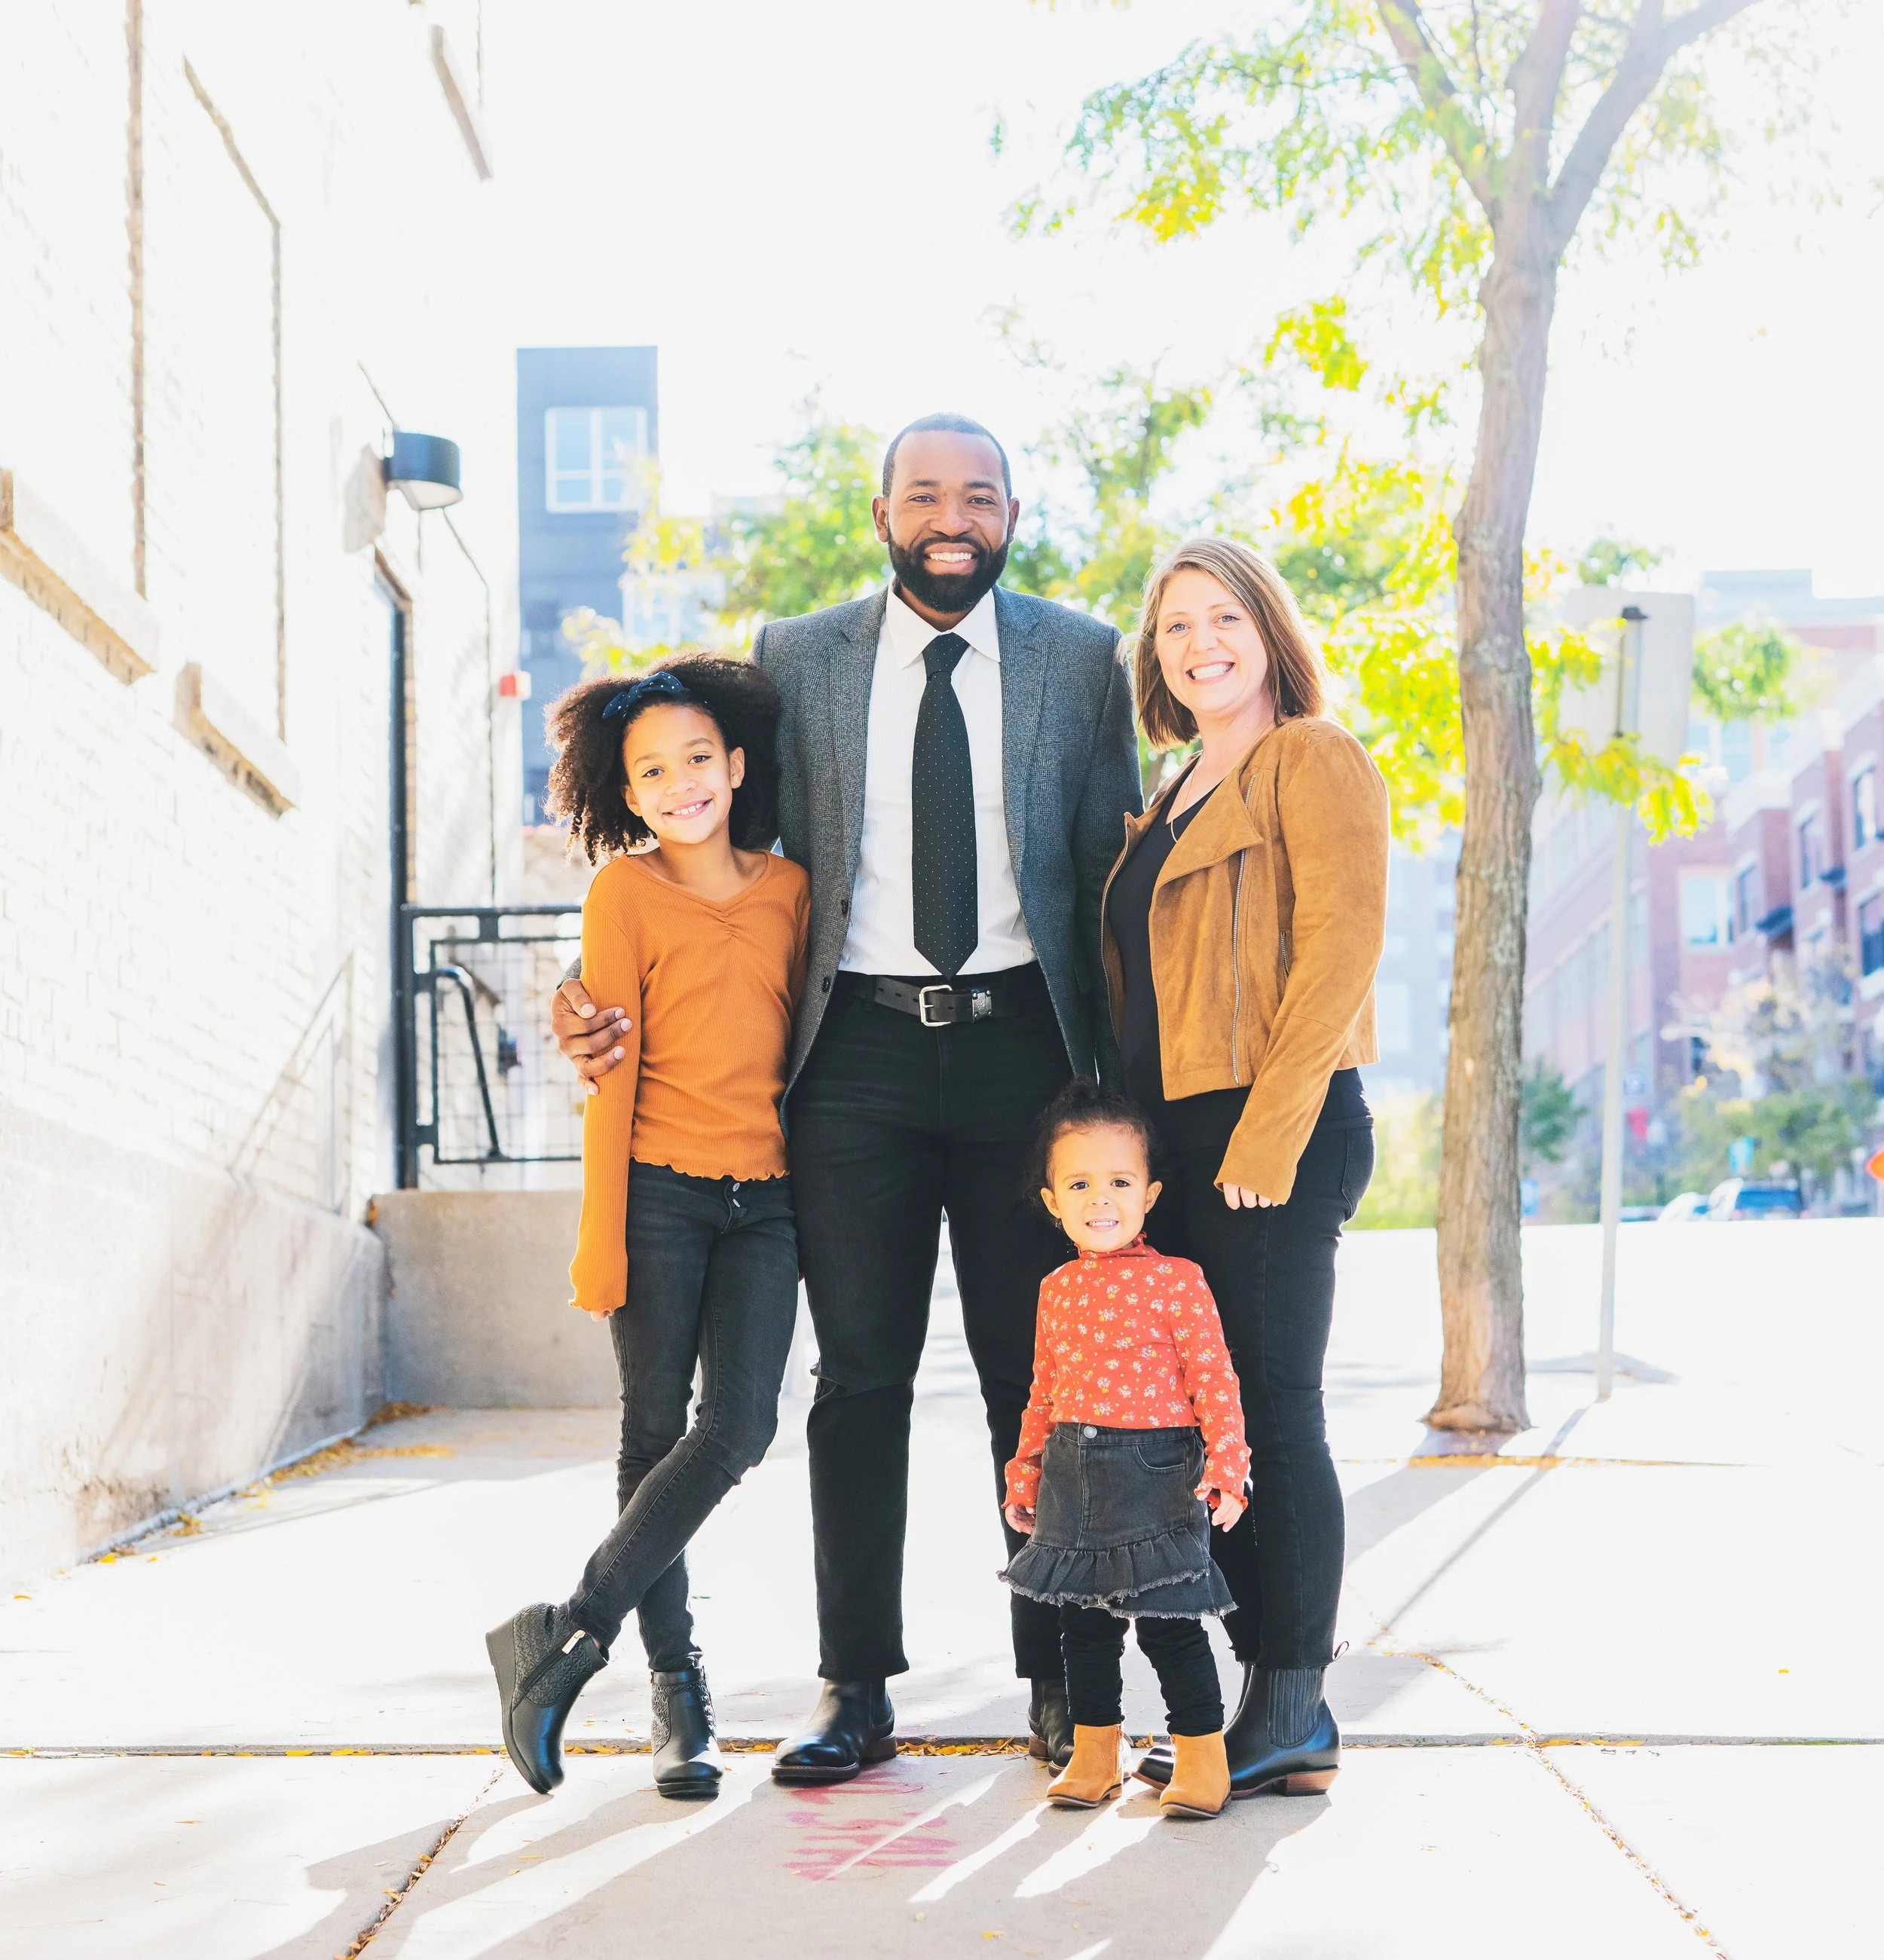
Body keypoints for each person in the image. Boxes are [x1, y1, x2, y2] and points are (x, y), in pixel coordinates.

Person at [555, 414, 1141, 1781]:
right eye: (925, 494)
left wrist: (1112, 1087)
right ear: (882, 515)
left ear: (1012, 511)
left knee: (1028, 1378)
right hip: (855, 1059)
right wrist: (592, 995)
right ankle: (855, 1688)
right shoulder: (801, 656)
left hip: (1022, 1055)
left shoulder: (1081, 655)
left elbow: (1107, 880)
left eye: (980, 494)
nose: (954, 515)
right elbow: (717, 858)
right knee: (858, 1381)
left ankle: (1056, 1676)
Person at [485, 657, 809, 1801]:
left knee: (740, 1427)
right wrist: (601, 1232)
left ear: (736, 766)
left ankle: (565, 1638)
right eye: (651, 771)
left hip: (769, 1199)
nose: (679, 784)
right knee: (650, 1430)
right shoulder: (622, 895)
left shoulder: (791, 890)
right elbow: (607, 1070)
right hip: (659, 1190)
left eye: (695, 760)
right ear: (625, 792)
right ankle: (679, 1698)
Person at [1103, 536, 1388, 1800]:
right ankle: (1254, 1688)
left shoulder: (1309, 757)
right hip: (1178, 1138)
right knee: (1209, 1423)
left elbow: (1340, 950)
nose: (1199, 643)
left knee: (1275, 1409)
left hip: (1275, 1125)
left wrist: (1268, 1136)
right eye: (1175, 629)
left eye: (1222, 618)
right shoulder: (1169, 793)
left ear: (1269, 631)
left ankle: (1295, 1700)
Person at [1002, 1081, 1254, 1821]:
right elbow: (1042, 1391)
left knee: (1169, 1623)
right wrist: (1025, 1473)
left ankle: (1203, 1759)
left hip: (1157, 1476)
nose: (1100, 1198)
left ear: (1148, 1196)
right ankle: (1093, 1754)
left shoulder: (1178, 1284)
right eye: (1079, 1183)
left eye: (1118, 1182)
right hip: (1071, 1478)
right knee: (1082, 1627)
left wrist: (1228, 1469)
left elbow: (1215, 1381)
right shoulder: (1056, 1289)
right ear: (1053, 1201)